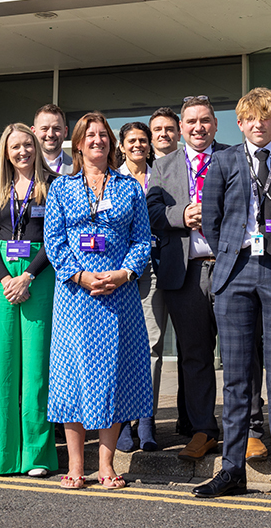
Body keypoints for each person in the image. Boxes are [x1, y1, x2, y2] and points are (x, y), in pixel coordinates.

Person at [196, 87, 271, 502]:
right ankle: (232, 470)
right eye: (252, 118)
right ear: (241, 122)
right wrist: (231, 253)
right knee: (236, 380)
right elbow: (211, 220)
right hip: (236, 273)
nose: (259, 124)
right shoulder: (223, 161)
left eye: (267, 118)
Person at [43, 111, 152, 490]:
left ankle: (106, 464)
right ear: (78, 143)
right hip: (75, 296)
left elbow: (142, 239)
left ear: (113, 143)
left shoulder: (130, 188)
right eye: (90, 135)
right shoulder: (61, 188)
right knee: (73, 377)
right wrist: (79, 274)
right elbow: (53, 243)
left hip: (118, 295)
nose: (97, 141)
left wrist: (124, 274)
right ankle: (76, 465)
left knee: (115, 376)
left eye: (103, 135)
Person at [146, 97, 227, 463]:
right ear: (182, 126)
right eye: (191, 121)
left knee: (242, 355)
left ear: (215, 124)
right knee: (195, 356)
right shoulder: (162, 166)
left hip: (231, 269)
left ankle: (249, 430)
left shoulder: (233, 156)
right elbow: (150, 211)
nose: (198, 128)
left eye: (205, 121)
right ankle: (203, 430)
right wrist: (181, 214)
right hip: (187, 272)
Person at [0, 123, 57, 477]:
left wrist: (27, 276)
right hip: (0, 277)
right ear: (5, 153)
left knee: (36, 368)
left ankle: (36, 457)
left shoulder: (54, 184)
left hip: (39, 275)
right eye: (14, 147)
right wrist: (7, 277)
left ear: (36, 147)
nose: (21, 151)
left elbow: (58, 237)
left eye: (27, 145)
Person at [115, 121, 160, 453]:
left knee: (153, 345)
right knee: (122, 345)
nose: (138, 146)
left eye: (143, 141)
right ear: (121, 145)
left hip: (154, 268)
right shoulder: (113, 179)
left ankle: (146, 419)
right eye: (132, 141)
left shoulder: (162, 174)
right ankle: (123, 420)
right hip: (119, 272)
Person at [33, 104, 72, 174]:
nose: (50, 134)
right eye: (44, 129)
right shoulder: (24, 167)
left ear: (65, 132)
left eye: (56, 128)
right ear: (34, 132)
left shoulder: (79, 168)